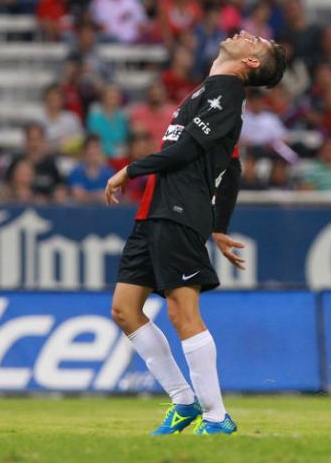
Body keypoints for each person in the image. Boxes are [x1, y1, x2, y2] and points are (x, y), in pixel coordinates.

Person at [103, 29, 286, 436]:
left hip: (180, 210)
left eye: (256, 41)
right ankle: (184, 401)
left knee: (182, 313)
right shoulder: (212, 91)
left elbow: (185, 151)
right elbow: (232, 165)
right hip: (155, 212)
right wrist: (219, 227)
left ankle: (217, 417)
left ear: (250, 62)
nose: (246, 34)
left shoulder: (227, 91)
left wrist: (130, 170)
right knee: (124, 309)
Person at [68, 134, 115, 202]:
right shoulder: (76, 172)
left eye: (97, 147)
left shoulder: (108, 172)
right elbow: (78, 196)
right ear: (84, 151)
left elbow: (112, 196)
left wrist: (86, 194)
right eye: (91, 148)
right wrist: (100, 194)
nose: (94, 151)